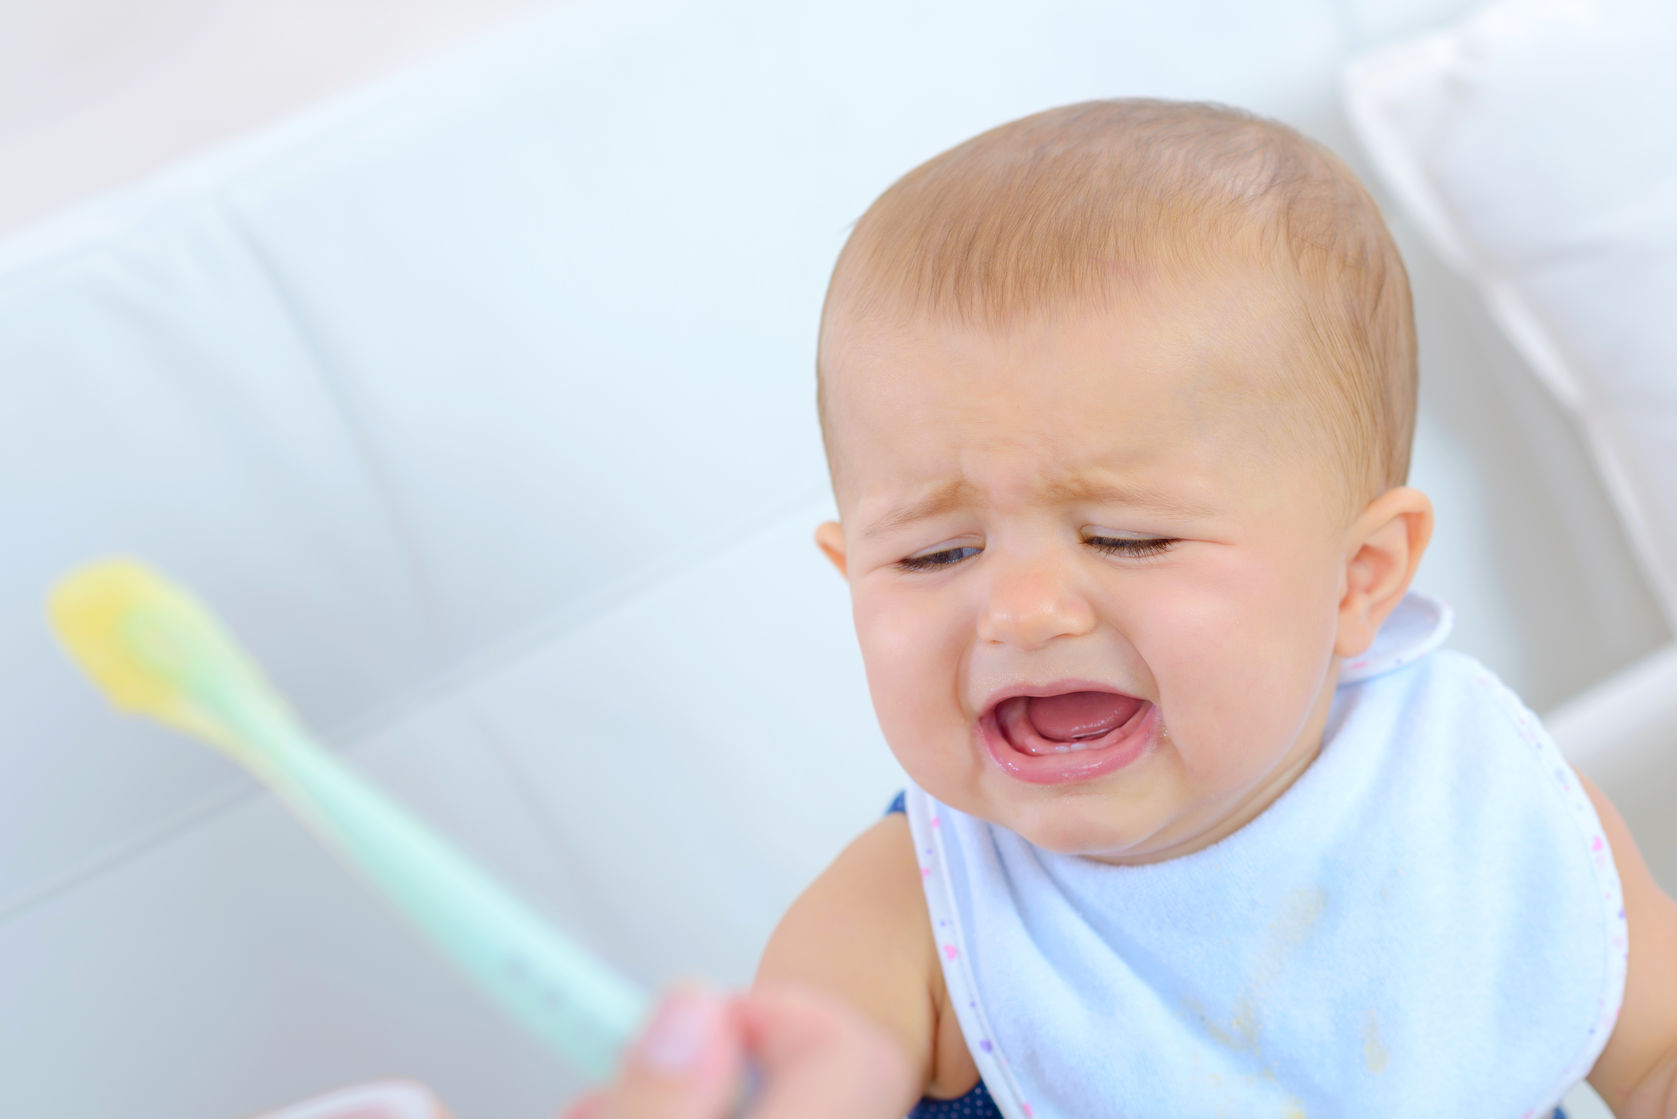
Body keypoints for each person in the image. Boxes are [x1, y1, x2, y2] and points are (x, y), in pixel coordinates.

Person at [571, 98, 1677, 1119]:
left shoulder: (1478, 799)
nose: (1023, 610)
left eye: (1125, 538)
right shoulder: (900, 921)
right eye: (935, 553)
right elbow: (817, 1079)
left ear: (1359, 579)